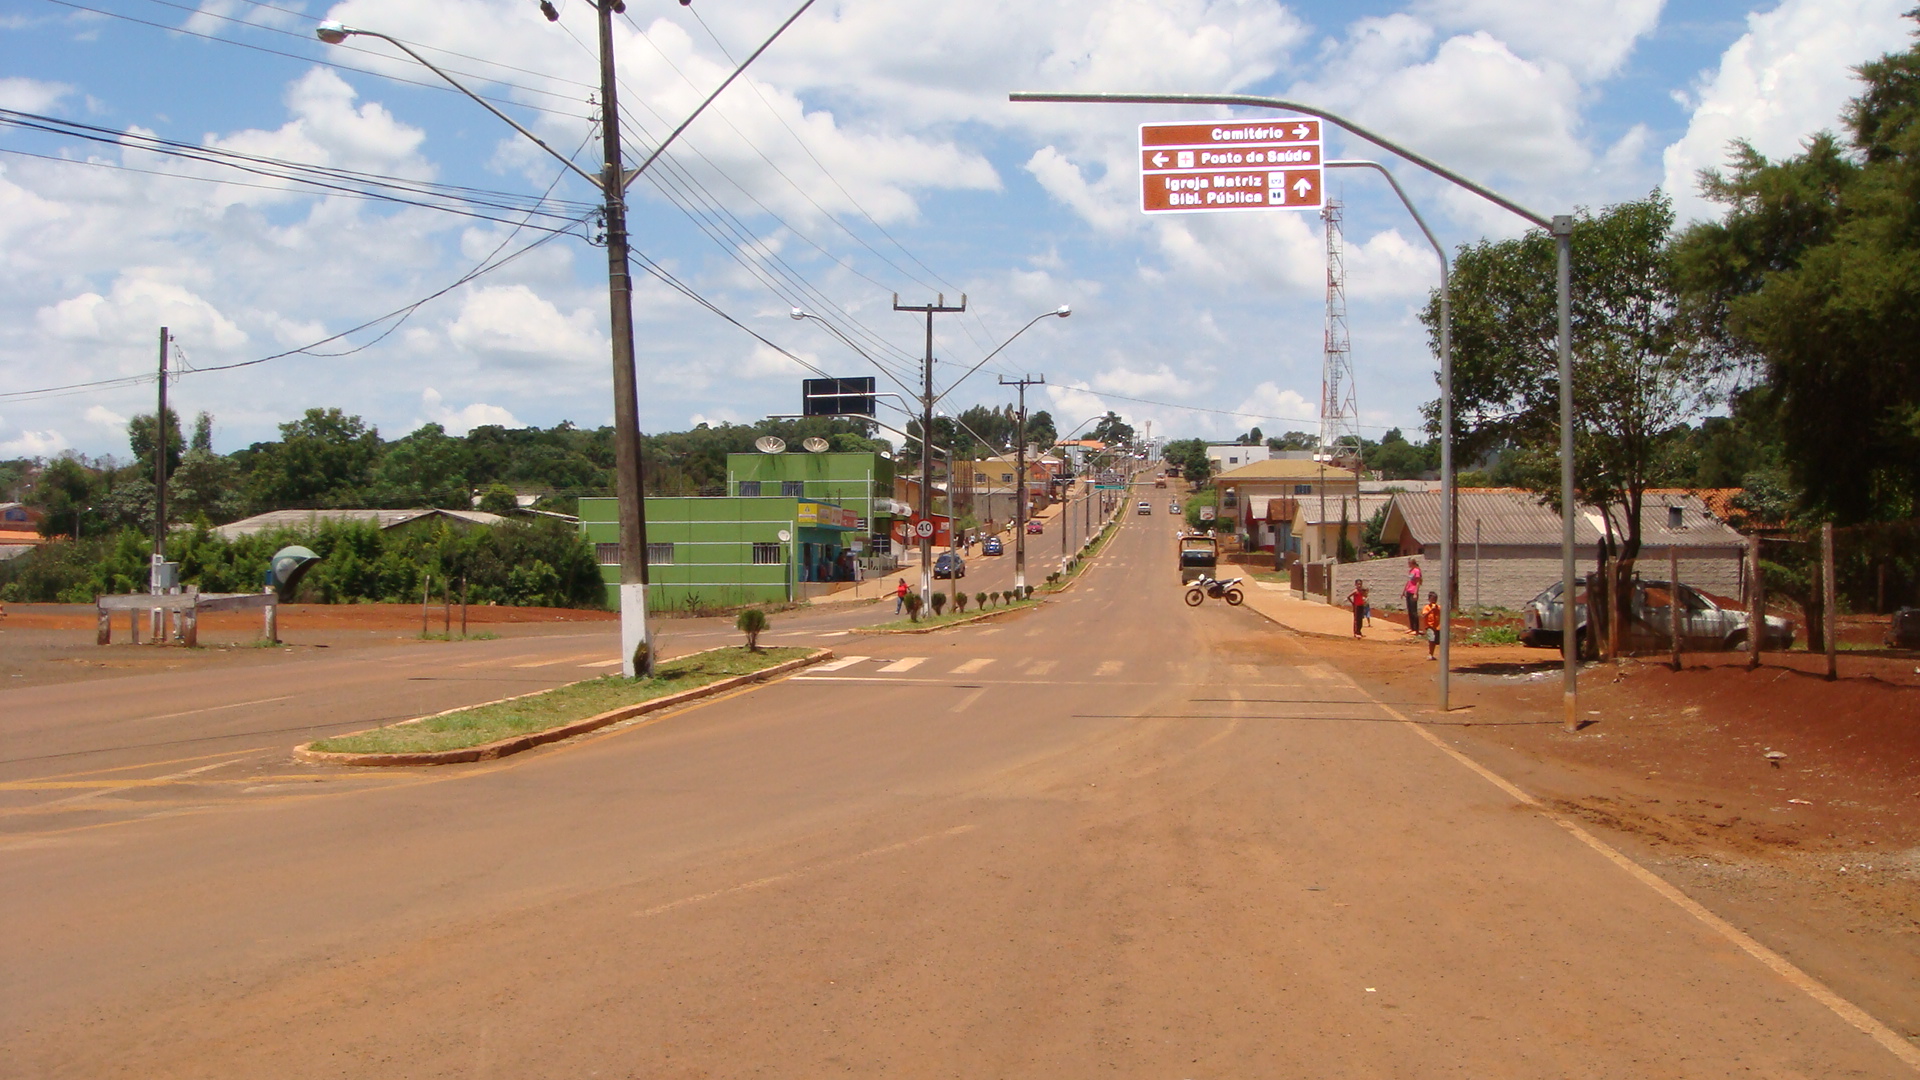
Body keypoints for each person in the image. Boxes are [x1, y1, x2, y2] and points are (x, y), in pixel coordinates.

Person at [1403, 558, 1423, 634]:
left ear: (1413, 563)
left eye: (1409, 563)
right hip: (1408, 591)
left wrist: (1415, 593)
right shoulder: (1410, 571)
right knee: (1410, 610)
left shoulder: (1417, 571)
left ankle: (1416, 629)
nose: (1408, 564)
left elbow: (1418, 582)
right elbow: (1408, 581)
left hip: (1413, 592)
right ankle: (1412, 627)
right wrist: (1404, 591)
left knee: (1414, 611)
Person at [1423, 591, 1442, 660]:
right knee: (1432, 639)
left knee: (1436, 641)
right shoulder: (1426, 607)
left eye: (1435, 599)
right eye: (1432, 599)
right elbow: (1424, 615)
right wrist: (1431, 610)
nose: (1434, 601)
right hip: (1429, 626)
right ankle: (1430, 654)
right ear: (1429, 599)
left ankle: (1433, 654)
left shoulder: (1439, 607)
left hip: (1437, 627)